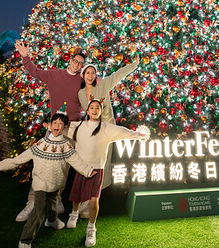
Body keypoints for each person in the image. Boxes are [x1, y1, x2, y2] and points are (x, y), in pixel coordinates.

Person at [0, 110, 96, 248]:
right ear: (49, 125)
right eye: (55, 122)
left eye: (61, 123)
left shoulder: (66, 146)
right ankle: (25, 240)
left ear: (64, 127)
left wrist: (88, 171)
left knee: (52, 204)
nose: (57, 125)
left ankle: (52, 220)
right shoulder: (41, 144)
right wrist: (4, 164)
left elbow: (76, 161)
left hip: (56, 183)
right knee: (38, 212)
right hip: (40, 183)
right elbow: (22, 157)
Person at [14, 40, 86, 221]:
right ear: (70, 60)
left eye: (80, 64)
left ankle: (57, 198)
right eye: (75, 61)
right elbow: (36, 72)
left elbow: (94, 91)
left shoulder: (82, 81)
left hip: (73, 127)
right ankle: (31, 202)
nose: (77, 65)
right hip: (55, 127)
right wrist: (25, 56)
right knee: (42, 163)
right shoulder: (55, 75)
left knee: (64, 165)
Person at [67, 100, 147, 247]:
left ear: (101, 111)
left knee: (93, 201)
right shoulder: (78, 126)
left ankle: (91, 228)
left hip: (97, 169)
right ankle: (74, 213)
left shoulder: (105, 128)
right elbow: (63, 126)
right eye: (92, 107)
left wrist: (137, 135)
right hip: (81, 167)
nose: (95, 110)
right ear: (87, 110)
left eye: (98, 108)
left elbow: (122, 132)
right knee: (76, 195)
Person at [75, 54, 139, 217]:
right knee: (87, 160)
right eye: (87, 73)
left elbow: (118, 75)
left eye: (92, 73)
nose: (90, 75)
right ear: (83, 75)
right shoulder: (81, 93)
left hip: (106, 127)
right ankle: (84, 199)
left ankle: (93, 200)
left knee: (102, 162)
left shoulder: (102, 86)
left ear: (96, 75)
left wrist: (134, 65)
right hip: (91, 128)